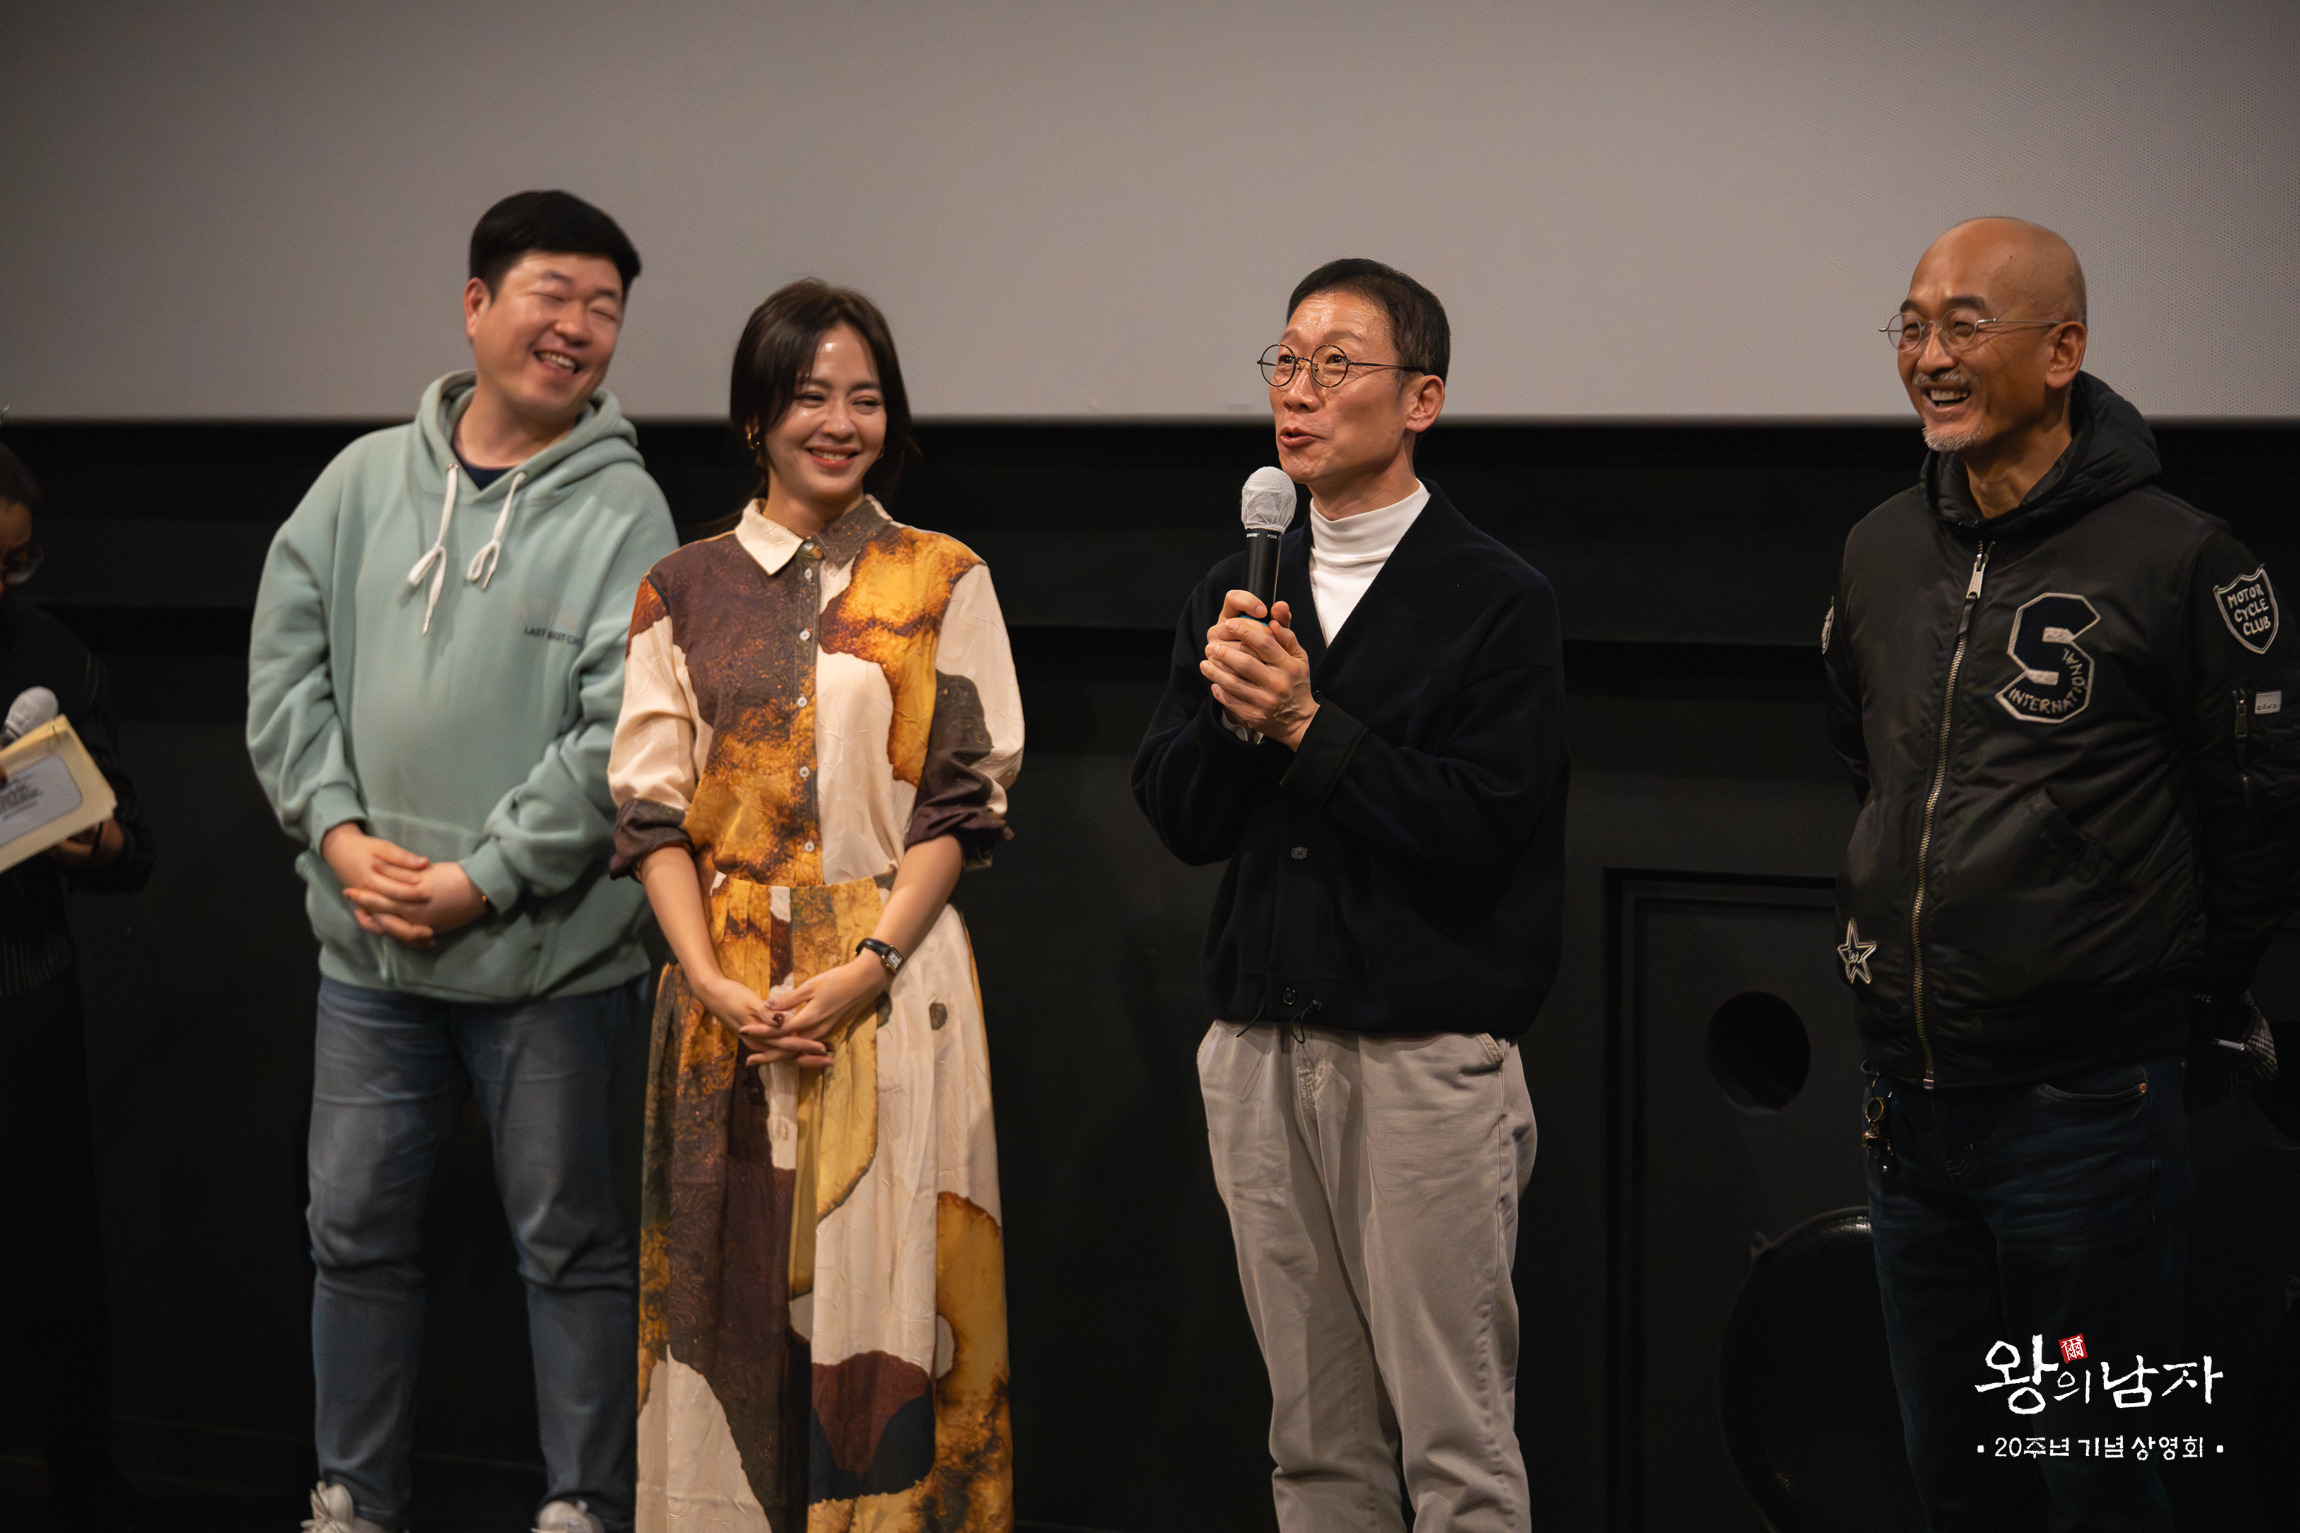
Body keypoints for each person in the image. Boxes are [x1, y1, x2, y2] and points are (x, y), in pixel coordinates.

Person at [1825, 217, 2298, 1530]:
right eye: (1911, 326)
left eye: (1964, 325)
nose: (1928, 356)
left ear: (2062, 351)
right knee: (1952, 1475)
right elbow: (1865, 756)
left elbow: (2259, 809)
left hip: (2082, 1113)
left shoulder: (2180, 557)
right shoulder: (1876, 548)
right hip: (1905, 1103)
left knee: (2098, 1480)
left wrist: (2168, 990)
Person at [245, 191, 678, 1533]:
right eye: (553, 294)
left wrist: (482, 877)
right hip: (368, 959)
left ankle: (584, 1506)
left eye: (604, 308)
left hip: (549, 969)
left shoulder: (628, 511)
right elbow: (286, 674)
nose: (577, 327)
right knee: (353, 1240)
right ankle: (353, 1498)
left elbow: (621, 730)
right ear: (477, 304)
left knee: (572, 1249)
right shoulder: (360, 483)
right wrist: (337, 832)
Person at [1131, 259, 1564, 1533]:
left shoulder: (1494, 598)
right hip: (1257, 1049)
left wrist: (1305, 725)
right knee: (1313, 1449)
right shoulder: (1235, 588)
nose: (1298, 392)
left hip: (1419, 1060)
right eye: (1284, 362)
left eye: (1334, 365)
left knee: (1455, 1448)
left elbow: (1482, 825)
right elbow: (1180, 819)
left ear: (1419, 399)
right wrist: (1229, 722)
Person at [608, 280, 1024, 1530]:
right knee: (722, 1319)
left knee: (895, 1317)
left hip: (892, 974)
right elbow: (650, 815)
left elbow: (960, 804)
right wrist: (709, 980)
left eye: (864, 397)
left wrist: (868, 963)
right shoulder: (678, 587)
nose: (839, 422)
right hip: (724, 989)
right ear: (756, 417)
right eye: (808, 396)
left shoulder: (942, 576)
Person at [0, 443, 156, 1531]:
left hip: (23, 997)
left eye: (15, 562)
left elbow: (131, 846)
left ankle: (81, 1475)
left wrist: (93, 844)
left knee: (54, 1257)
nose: (3, 583)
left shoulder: (52, 655)